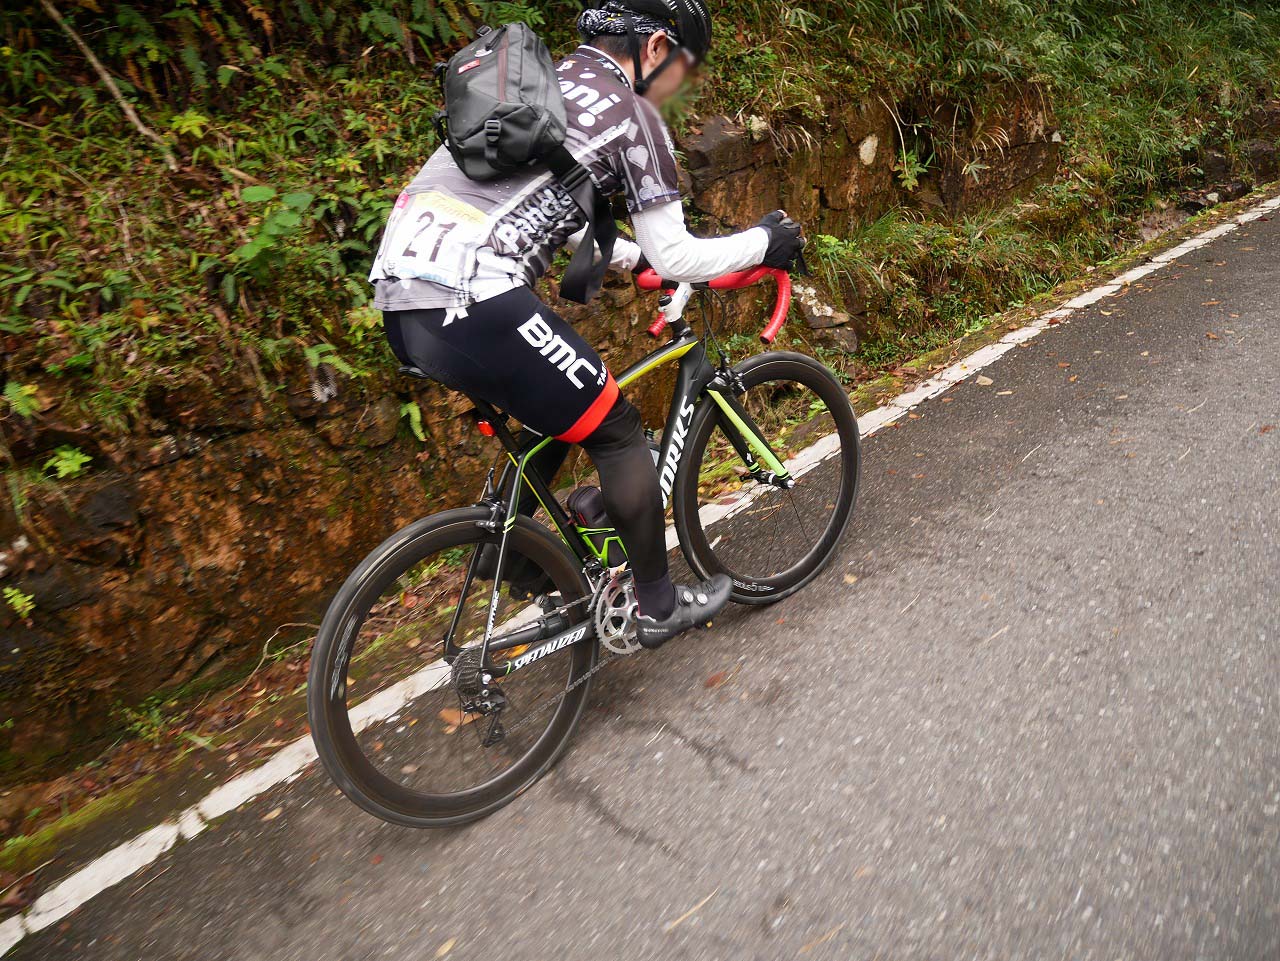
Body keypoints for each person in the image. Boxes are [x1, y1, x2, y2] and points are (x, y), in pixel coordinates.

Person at [369, 0, 807, 647]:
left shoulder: (539, 87)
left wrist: (631, 259)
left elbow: (548, 205)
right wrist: (765, 242)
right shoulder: (632, 115)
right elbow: (678, 255)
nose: (679, 85)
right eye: (682, 67)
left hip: (401, 297)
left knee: (557, 410)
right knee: (618, 427)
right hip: (473, 296)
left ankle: (518, 556)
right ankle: (657, 606)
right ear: (655, 47)